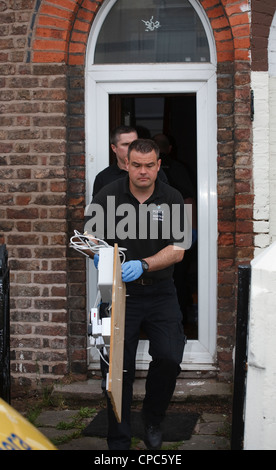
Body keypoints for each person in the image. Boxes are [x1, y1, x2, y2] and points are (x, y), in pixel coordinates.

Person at [85, 139, 188, 450]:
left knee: (169, 358)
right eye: (137, 165)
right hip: (119, 293)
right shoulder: (107, 195)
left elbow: (179, 249)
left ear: (158, 165)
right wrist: (97, 254)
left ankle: (153, 418)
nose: (143, 171)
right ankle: (118, 436)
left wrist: (144, 264)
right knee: (116, 367)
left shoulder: (172, 198)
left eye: (150, 165)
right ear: (126, 164)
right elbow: (89, 237)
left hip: (160, 292)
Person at [92, 126, 168, 197]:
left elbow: (167, 201)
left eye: (134, 143)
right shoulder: (103, 178)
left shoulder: (155, 172)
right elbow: (98, 209)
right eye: (126, 144)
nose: (131, 148)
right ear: (114, 148)